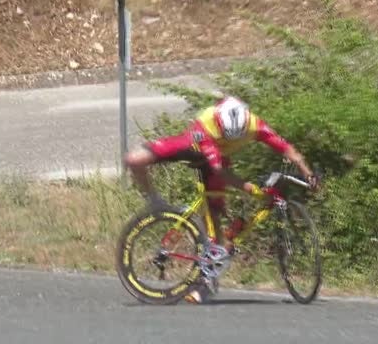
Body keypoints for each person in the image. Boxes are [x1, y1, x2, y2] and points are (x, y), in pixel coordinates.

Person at [123, 96, 318, 303]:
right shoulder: (208, 125)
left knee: (217, 229)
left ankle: (207, 279)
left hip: (220, 157)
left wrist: (308, 173)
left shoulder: (253, 123)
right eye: (227, 135)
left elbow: (286, 147)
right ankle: (155, 203)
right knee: (134, 159)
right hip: (197, 144)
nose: (233, 140)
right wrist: (249, 188)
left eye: (237, 137)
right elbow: (218, 170)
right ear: (219, 123)